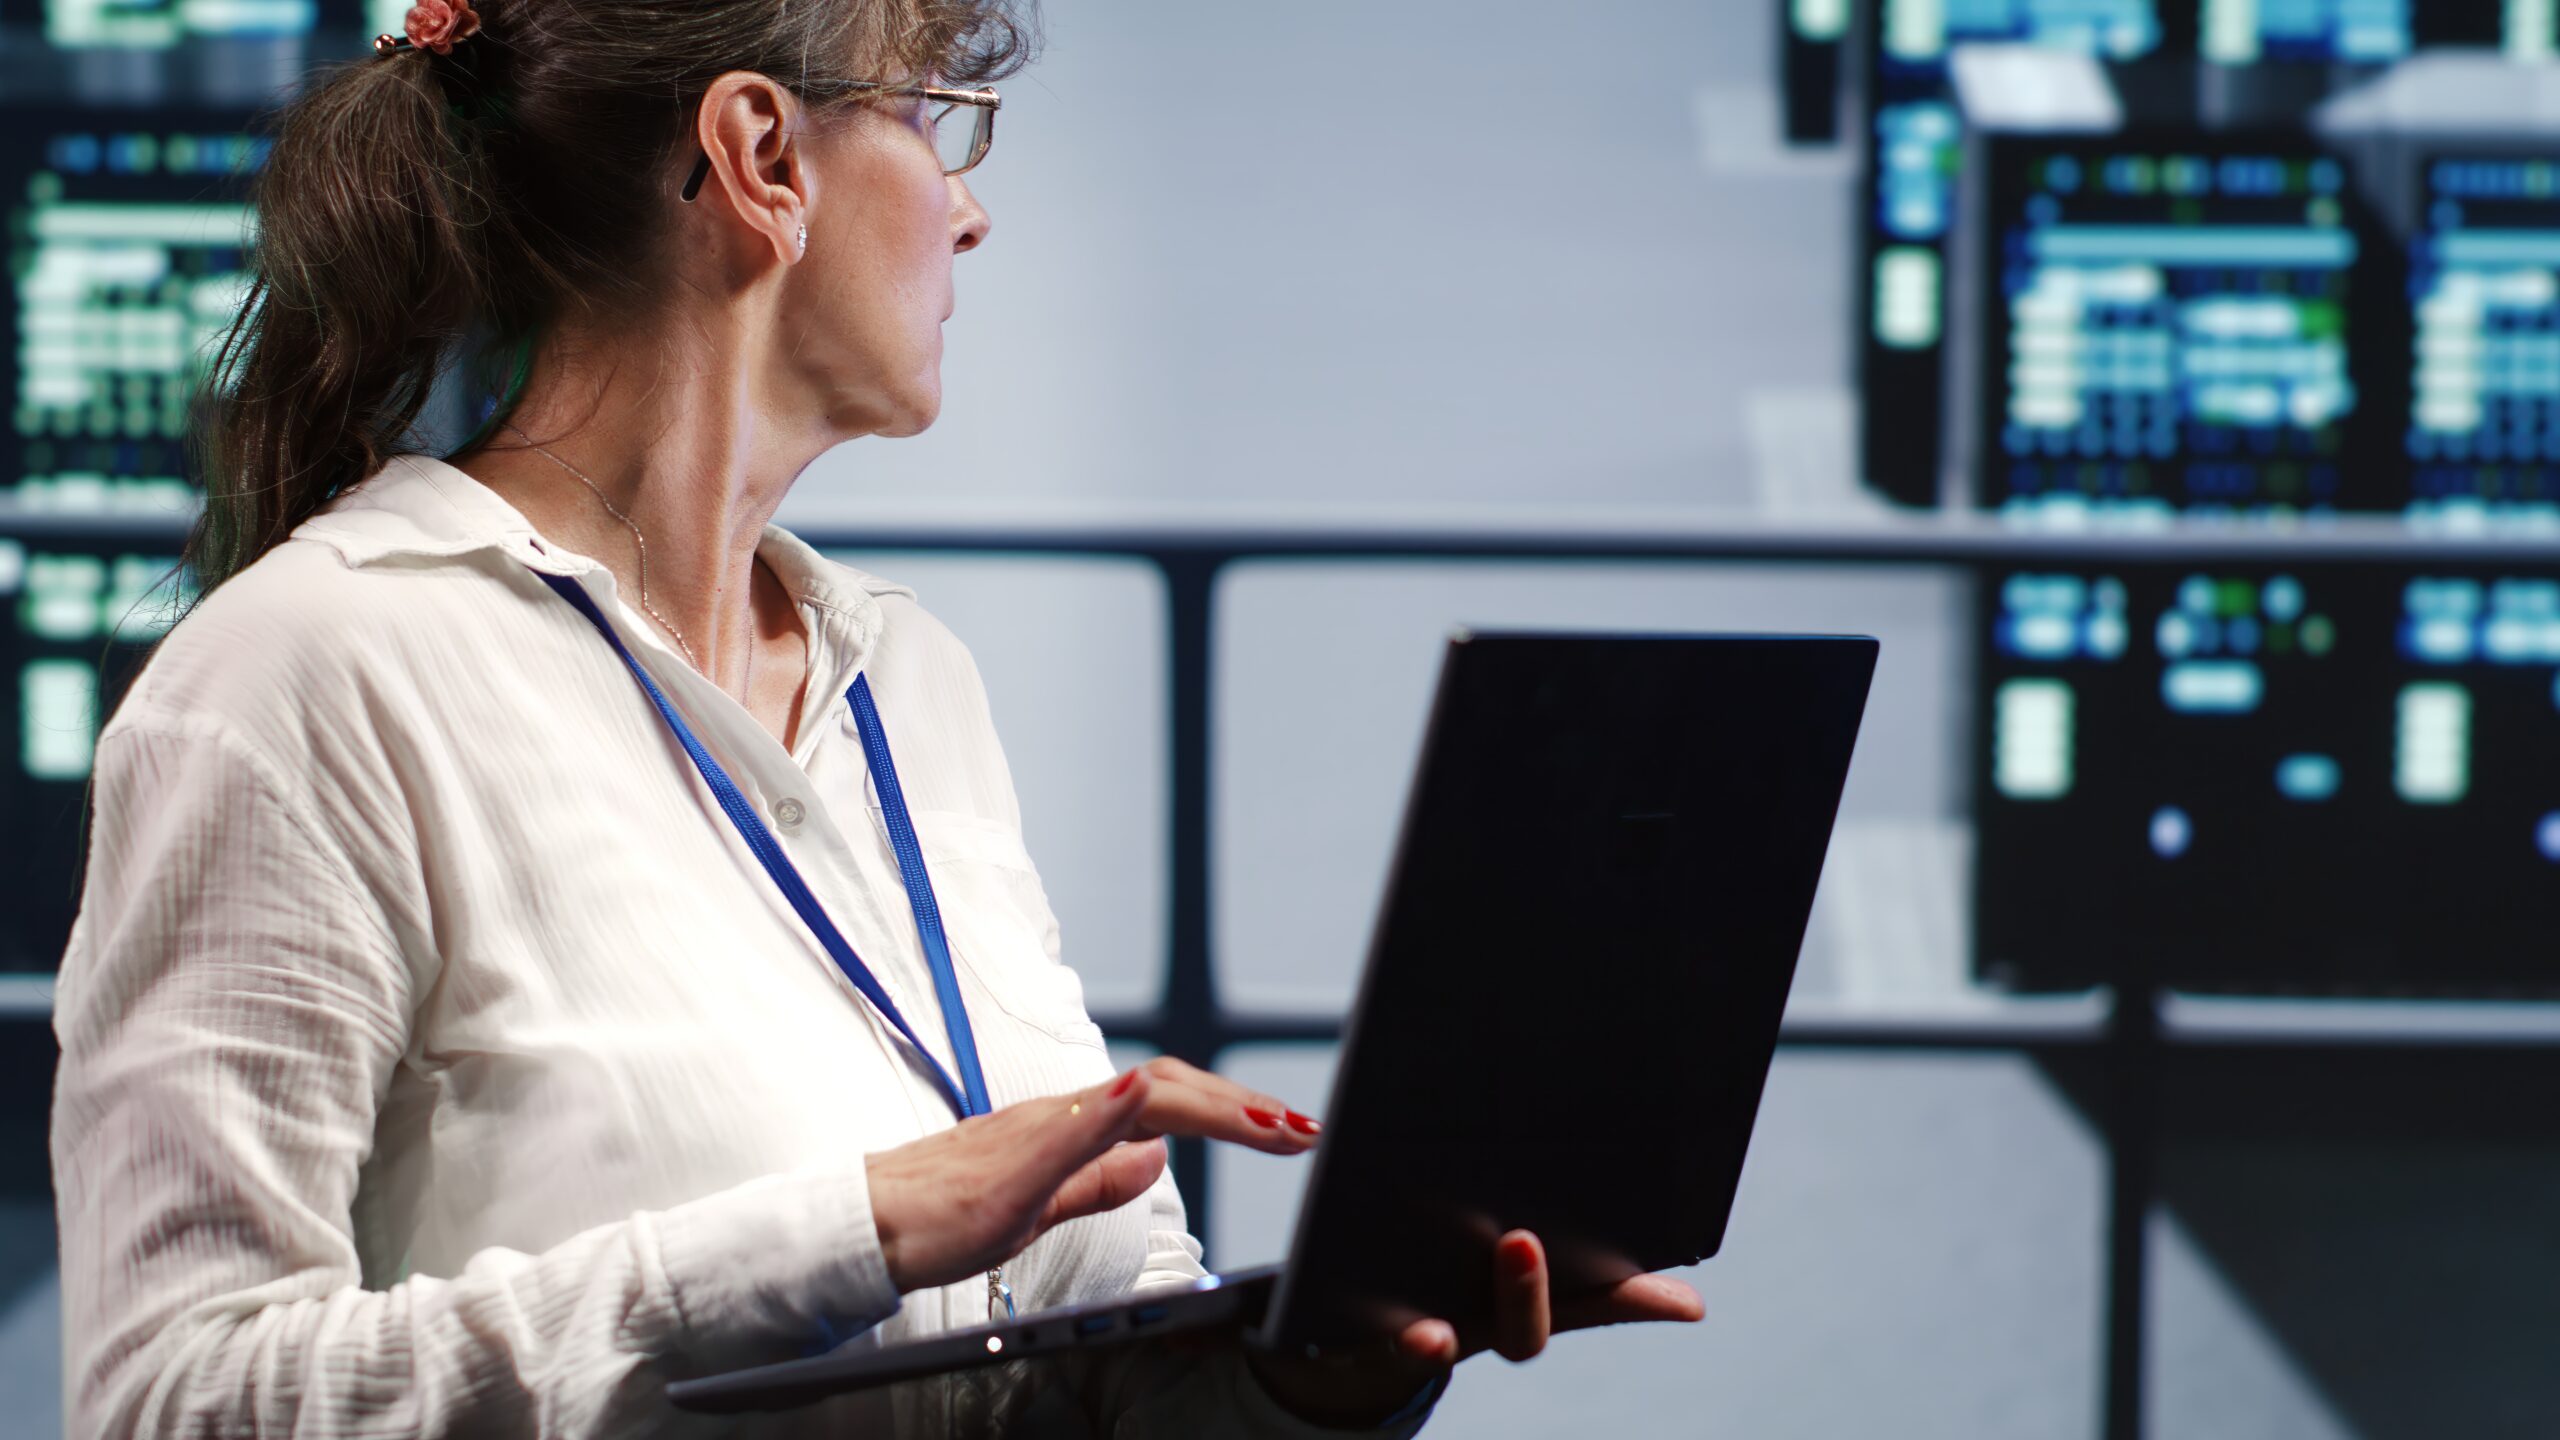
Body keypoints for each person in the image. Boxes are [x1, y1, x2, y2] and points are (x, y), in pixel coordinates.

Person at [48, 0, 1705, 1434]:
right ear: (763, 156)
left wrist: (1317, 1376)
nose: (973, 214)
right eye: (934, 119)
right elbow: (176, 1398)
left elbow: (1058, 1377)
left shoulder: (907, 678)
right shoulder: (310, 674)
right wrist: (850, 1231)